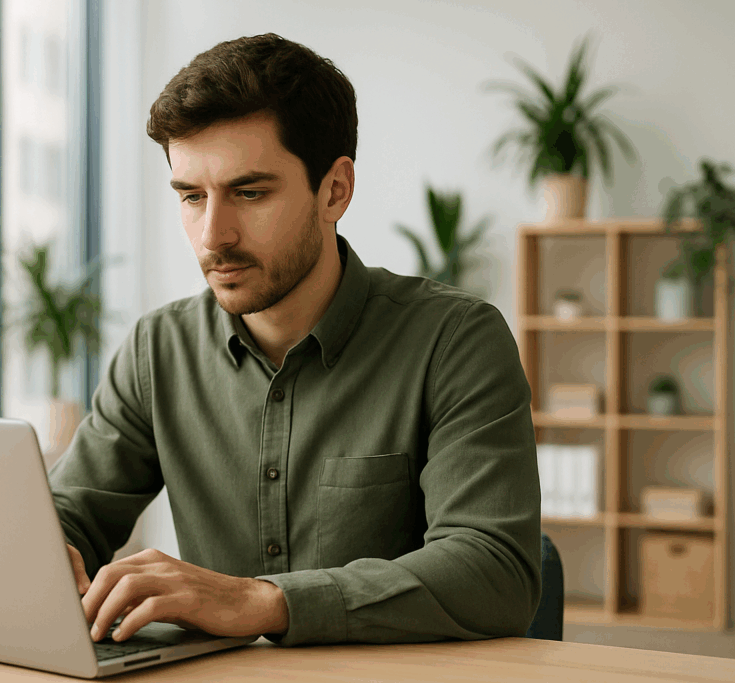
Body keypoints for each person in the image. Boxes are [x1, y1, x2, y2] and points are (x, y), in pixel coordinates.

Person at [48, 32, 541, 647]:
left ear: (335, 190)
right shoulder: (157, 350)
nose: (213, 235)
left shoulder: (454, 342)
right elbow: (69, 515)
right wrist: (47, 553)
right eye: (191, 197)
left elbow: (495, 570)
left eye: (249, 193)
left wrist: (262, 602)